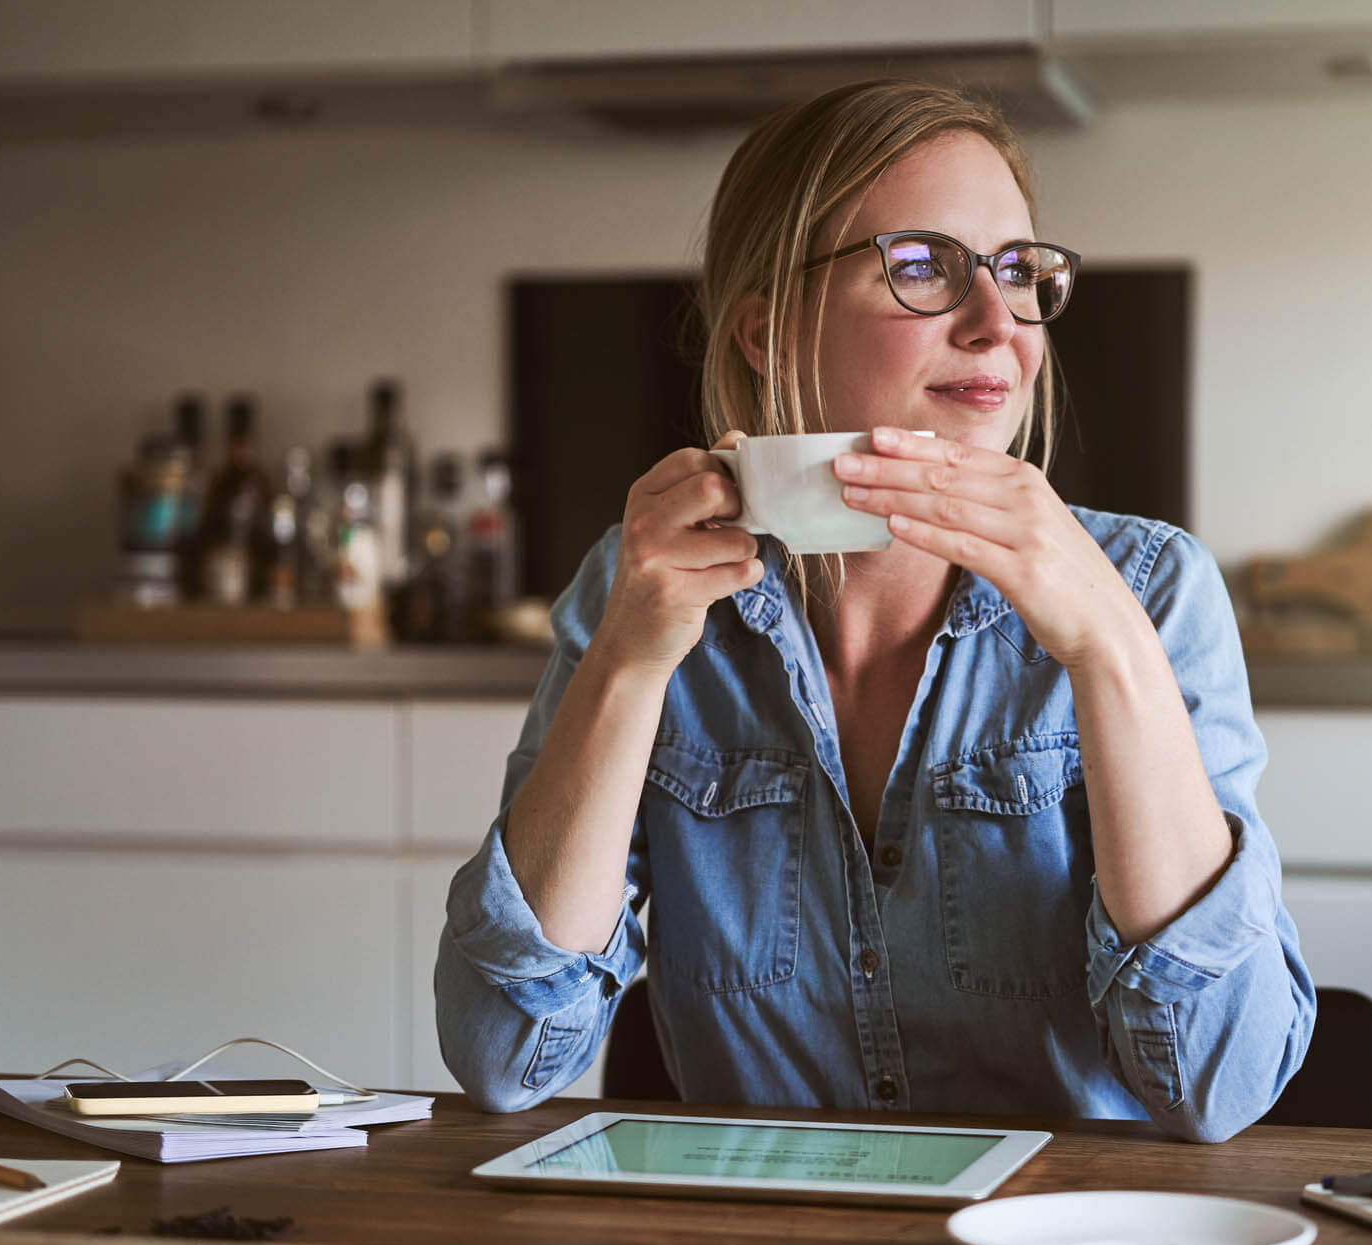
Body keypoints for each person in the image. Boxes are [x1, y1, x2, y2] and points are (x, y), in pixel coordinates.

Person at [436, 80, 1314, 1143]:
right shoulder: (640, 593)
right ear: (766, 332)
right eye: (921, 269)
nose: (999, 326)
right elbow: (503, 1057)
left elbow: (1220, 1086)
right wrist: (627, 666)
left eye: (1018, 272)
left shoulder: (1154, 587)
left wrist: (1109, 645)